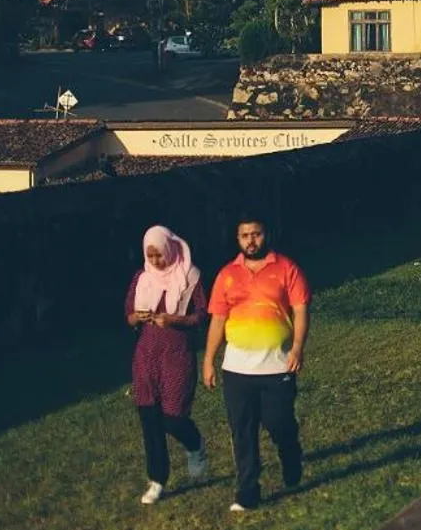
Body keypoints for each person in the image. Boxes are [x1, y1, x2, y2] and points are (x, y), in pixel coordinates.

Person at [204, 214, 310, 513]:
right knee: (242, 431)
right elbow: (218, 320)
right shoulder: (227, 275)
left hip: (278, 366)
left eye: (256, 234)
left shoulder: (287, 268)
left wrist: (298, 348)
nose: (251, 241)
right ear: (237, 239)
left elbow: (301, 310)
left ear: (266, 234)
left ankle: (290, 454)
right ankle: (247, 491)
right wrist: (209, 360)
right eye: (245, 235)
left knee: (279, 423)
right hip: (237, 370)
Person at [126, 225, 209, 504]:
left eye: (159, 255)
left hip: (176, 353)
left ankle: (194, 444)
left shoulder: (190, 276)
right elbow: (128, 315)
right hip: (147, 355)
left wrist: (174, 319)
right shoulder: (142, 278)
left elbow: (201, 315)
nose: (156, 261)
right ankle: (157, 479)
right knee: (149, 417)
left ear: (170, 249)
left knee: (173, 417)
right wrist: (137, 317)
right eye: (150, 256)